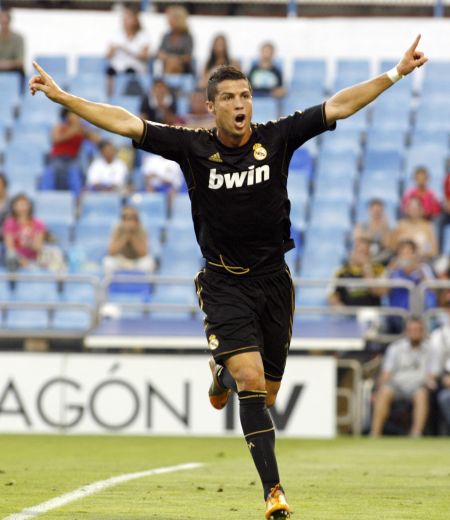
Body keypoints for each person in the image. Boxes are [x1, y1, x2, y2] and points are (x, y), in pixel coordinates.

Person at [30, 34, 427, 519]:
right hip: (223, 282)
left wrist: (396, 73)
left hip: (274, 282)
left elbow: (339, 105)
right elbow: (126, 122)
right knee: (252, 380)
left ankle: (221, 374)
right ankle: (273, 491)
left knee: (266, 393)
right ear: (211, 106)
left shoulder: (277, 137)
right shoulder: (193, 148)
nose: (240, 105)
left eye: (246, 96)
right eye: (230, 98)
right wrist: (63, 97)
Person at [370, 316, 434, 437]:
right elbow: (386, 373)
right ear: (406, 331)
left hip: (418, 386)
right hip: (397, 385)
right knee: (384, 392)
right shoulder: (395, 348)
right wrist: (377, 390)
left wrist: (430, 382)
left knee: (422, 394)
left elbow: (432, 373)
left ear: (423, 331)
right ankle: (375, 433)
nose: (415, 333)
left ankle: (416, 434)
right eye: (412, 330)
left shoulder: (430, 349)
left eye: (418, 330)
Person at [385, 240, 435, 333]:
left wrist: (418, 268)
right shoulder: (392, 270)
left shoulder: (423, 268)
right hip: (396, 316)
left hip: (419, 316)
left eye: (408, 253)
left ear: (414, 254)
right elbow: (379, 291)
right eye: (402, 253)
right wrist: (389, 270)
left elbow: (433, 289)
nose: (405, 256)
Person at [46, 108, 99, 192]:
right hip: (57, 158)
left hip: (73, 159)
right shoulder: (59, 126)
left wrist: (86, 131)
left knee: (75, 174)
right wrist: (73, 130)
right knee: (50, 174)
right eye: (73, 114)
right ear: (67, 116)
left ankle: (78, 197)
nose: (76, 117)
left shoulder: (81, 129)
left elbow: (97, 140)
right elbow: (55, 139)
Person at [106, 4, 150, 97]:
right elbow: (107, 55)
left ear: (135, 20)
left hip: (135, 68)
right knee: (109, 71)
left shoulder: (143, 36)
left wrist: (128, 51)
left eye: (128, 18)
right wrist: (114, 49)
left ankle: (126, 96)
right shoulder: (116, 35)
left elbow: (145, 56)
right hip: (118, 67)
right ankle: (110, 96)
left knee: (129, 71)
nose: (125, 21)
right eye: (124, 19)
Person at [328, 238, 385, 307]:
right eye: (359, 252)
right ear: (353, 252)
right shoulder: (341, 271)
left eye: (365, 253)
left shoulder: (378, 269)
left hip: (372, 311)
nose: (361, 256)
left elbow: (375, 291)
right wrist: (343, 310)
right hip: (349, 311)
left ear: (369, 254)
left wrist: (366, 266)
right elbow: (332, 296)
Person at [103, 205, 155, 274]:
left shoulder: (142, 229)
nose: (129, 222)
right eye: (126, 219)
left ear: (137, 220)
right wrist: (125, 236)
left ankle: (145, 281)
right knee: (108, 261)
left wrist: (132, 236)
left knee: (148, 262)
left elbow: (143, 253)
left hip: (137, 260)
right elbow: (111, 252)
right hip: (121, 260)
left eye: (132, 219)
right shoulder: (117, 228)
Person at [3, 193, 46, 271]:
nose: (22, 207)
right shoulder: (9, 223)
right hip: (15, 260)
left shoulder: (38, 223)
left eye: (24, 204)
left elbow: (38, 247)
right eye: (19, 204)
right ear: (13, 207)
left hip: (34, 259)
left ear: (29, 205)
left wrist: (29, 243)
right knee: (10, 256)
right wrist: (21, 260)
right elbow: (10, 248)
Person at [391, 196, 438, 261]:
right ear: (407, 209)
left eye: (415, 208)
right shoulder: (400, 225)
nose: (413, 210)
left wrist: (419, 255)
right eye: (411, 207)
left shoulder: (428, 227)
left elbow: (434, 251)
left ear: (421, 209)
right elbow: (392, 247)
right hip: (401, 261)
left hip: (421, 261)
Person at [428, 311, 450, 432]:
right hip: (447, 379)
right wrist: (438, 378)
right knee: (445, 397)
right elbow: (435, 368)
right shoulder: (439, 335)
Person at [353, 198, 392, 265]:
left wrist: (385, 228)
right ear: (369, 210)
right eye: (375, 210)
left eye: (379, 211)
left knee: (388, 254)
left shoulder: (386, 228)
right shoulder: (361, 226)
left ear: (383, 212)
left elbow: (388, 246)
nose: (377, 213)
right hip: (365, 254)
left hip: (380, 257)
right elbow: (358, 244)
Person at [156, 5, 193, 75]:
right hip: (167, 64)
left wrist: (176, 59)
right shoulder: (166, 36)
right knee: (171, 63)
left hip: (183, 68)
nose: (168, 21)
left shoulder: (187, 37)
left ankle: (168, 80)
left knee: (173, 63)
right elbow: (159, 53)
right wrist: (169, 58)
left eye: (171, 18)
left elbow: (188, 56)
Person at [0, 7, 25, 88]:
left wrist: (5, 64)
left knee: (21, 72)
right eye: (2, 22)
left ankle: (21, 93)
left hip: (14, 70)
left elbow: (20, 62)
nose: (4, 25)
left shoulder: (18, 38)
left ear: (9, 22)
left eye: (5, 22)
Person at [438, 158, 450, 250]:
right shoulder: (447, 179)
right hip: (448, 211)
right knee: (440, 220)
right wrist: (447, 205)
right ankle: (439, 250)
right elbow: (445, 197)